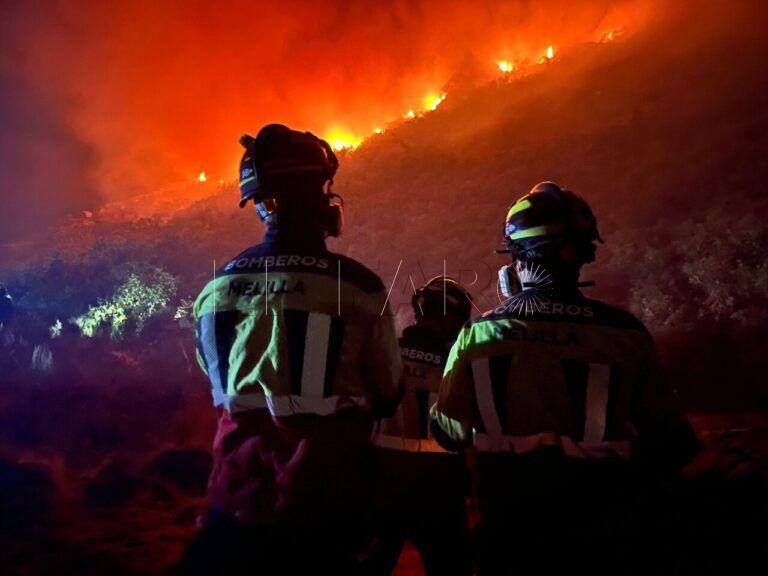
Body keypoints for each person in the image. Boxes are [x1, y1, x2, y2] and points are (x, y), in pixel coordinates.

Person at [430, 182, 701, 575]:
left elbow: (447, 433)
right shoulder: (625, 335)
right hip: (602, 541)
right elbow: (672, 445)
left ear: (517, 260)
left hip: (508, 539)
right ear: (581, 256)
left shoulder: (477, 335)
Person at [180, 124, 403, 575]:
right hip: (326, 509)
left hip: (236, 502)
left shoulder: (215, 289)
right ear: (319, 197)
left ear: (259, 204)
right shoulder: (356, 287)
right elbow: (388, 391)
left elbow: (216, 380)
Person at [371, 277, 474, 576]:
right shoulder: (456, 363)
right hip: (439, 489)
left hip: (382, 485)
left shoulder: (386, 355)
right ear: (449, 318)